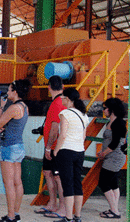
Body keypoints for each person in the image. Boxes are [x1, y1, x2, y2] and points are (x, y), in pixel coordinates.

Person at [0, 79, 31, 222]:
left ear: (15, 92)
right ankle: (15, 213)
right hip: (18, 146)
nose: (8, 92)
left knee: (8, 183)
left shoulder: (13, 108)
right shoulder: (25, 107)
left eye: (10, 90)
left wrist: (1, 107)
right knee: (18, 182)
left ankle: (10, 216)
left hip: (9, 147)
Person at [53, 88, 89, 222]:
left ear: (68, 99)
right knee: (77, 183)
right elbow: (84, 136)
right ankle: (77, 216)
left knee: (67, 184)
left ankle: (68, 217)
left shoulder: (65, 113)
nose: (61, 99)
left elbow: (62, 135)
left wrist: (56, 150)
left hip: (66, 151)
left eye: (63, 97)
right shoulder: (83, 115)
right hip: (80, 151)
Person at [36, 76, 66, 218]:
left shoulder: (57, 104)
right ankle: (53, 203)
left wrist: (49, 148)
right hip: (53, 146)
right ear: (62, 86)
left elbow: (55, 127)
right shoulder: (61, 102)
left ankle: (61, 207)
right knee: (48, 173)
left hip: (54, 147)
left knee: (57, 177)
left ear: (49, 87)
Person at [97, 98, 126, 219]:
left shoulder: (119, 123)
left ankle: (115, 211)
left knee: (103, 182)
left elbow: (114, 143)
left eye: (105, 108)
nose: (103, 110)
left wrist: (104, 153)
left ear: (111, 109)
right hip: (111, 156)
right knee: (113, 183)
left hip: (114, 158)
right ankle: (114, 209)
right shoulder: (111, 122)